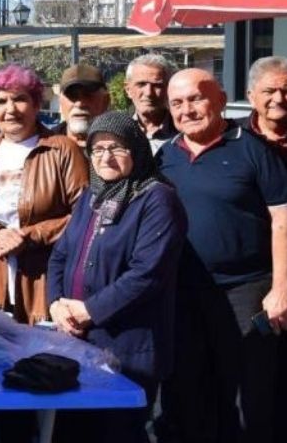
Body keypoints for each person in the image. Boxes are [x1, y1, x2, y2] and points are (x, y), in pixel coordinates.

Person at [155, 69, 287, 443]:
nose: (187, 110)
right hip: (183, 293)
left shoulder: (254, 150)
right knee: (189, 390)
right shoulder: (165, 155)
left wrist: (282, 288)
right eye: (177, 103)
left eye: (196, 98)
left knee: (248, 396)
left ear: (220, 99)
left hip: (246, 291)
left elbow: (284, 221)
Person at [47, 111, 188, 443]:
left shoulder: (157, 198)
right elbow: (60, 255)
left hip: (127, 347)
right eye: (97, 149)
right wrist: (55, 304)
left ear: (136, 149)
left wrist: (89, 310)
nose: (105, 157)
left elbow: (147, 274)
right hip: (77, 341)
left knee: (117, 433)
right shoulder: (91, 195)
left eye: (116, 148)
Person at [0, 63, 88, 324]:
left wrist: (29, 236)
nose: (10, 109)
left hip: (44, 279)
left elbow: (85, 217)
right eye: (0, 102)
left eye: (19, 99)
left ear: (35, 104)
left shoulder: (63, 150)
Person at [241, 55, 287, 440]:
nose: (279, 99)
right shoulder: (234, 139)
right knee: (252, 369)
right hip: (250, 274)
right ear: (251, 95)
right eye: (269, 90)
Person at [125, 54, 177, 152]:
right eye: (141, 84)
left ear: (168, 89)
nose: (149, 93)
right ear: (128, 90)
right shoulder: (119, 132)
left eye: (157, 85)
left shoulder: (183, 132)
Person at [52, 63, 110, 148]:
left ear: (105, 101)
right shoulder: (43, 147)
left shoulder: (123, 144)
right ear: (60, 101)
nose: (79, 104)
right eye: (72, 95)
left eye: (88, 95)